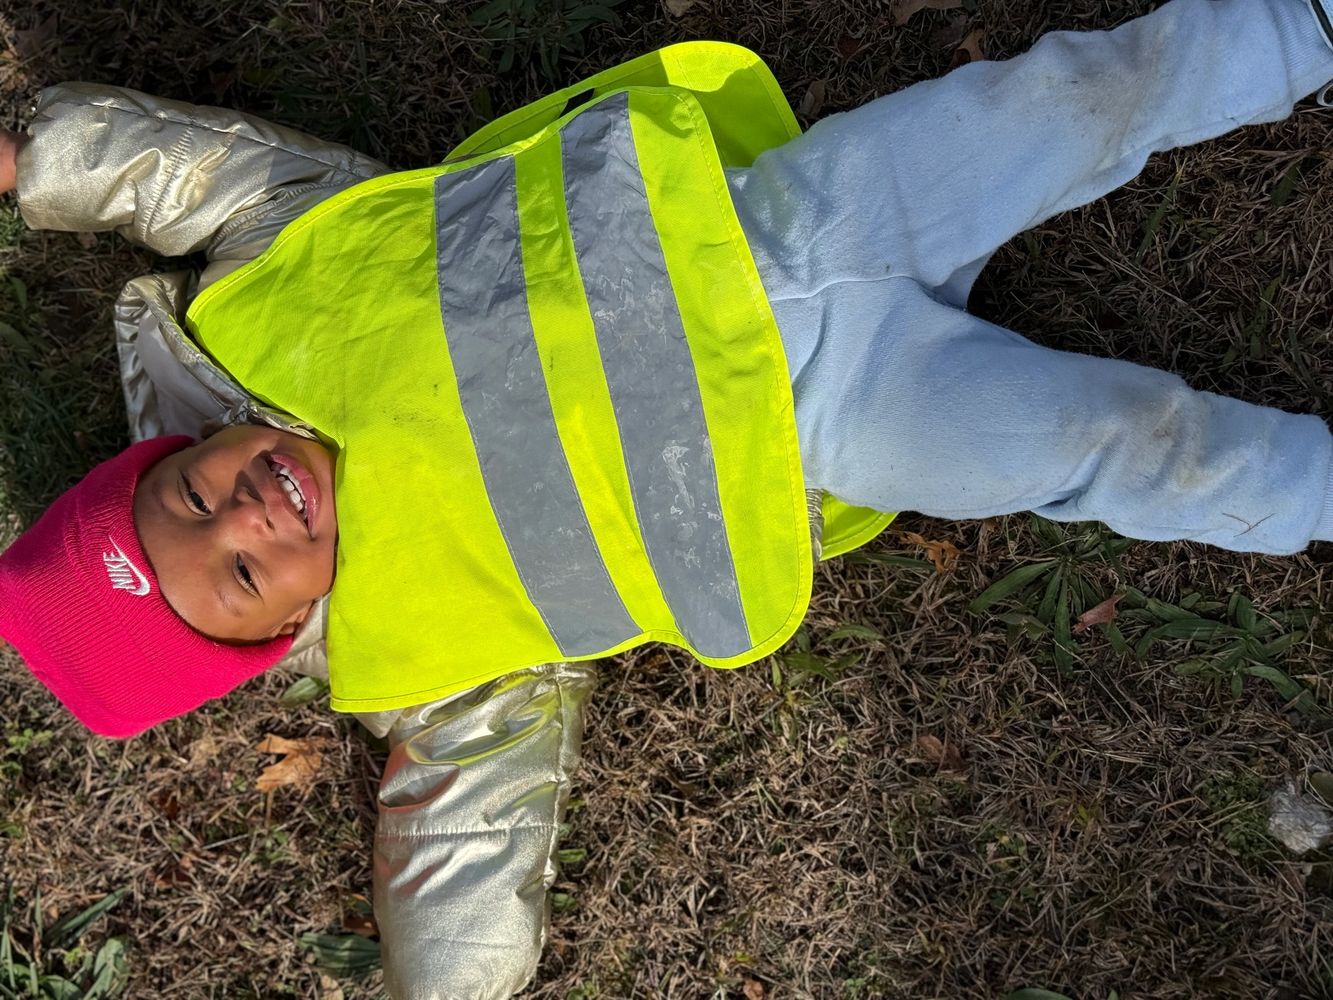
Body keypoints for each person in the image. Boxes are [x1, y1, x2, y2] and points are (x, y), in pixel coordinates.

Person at [2, 0, 1333, 994]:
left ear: (177, 448)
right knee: (1118, 447)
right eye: (240, 572)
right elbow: (466, 827)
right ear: (278, 633)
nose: (245, 514)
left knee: (1070, 97)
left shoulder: (270, 298)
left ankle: (1292, 28)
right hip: (837, 420)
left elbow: (189, 171)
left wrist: (34, 157)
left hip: (785, 216)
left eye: (190, 493)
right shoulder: (432, 657)